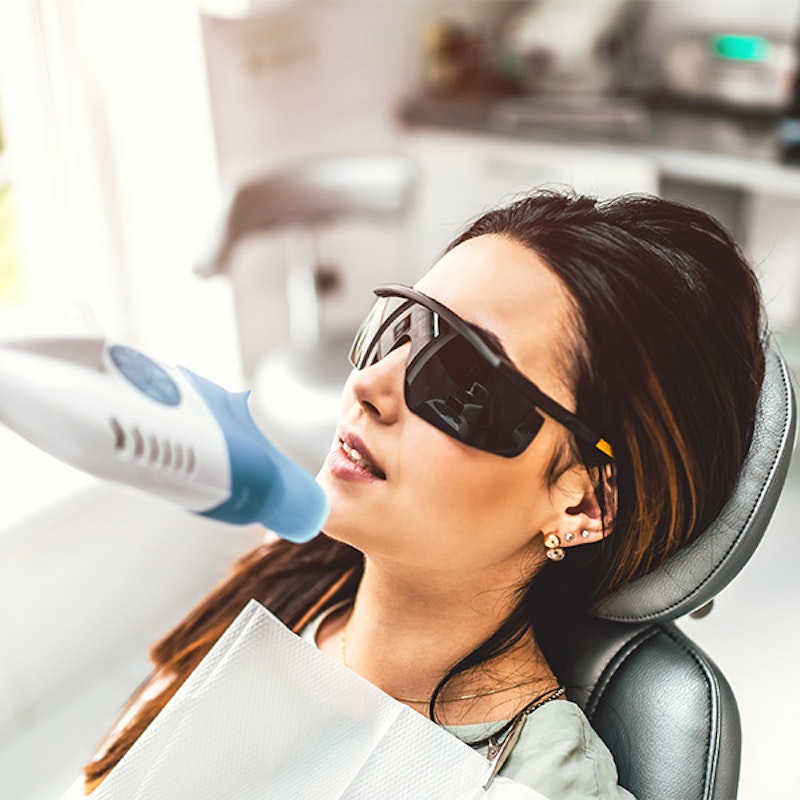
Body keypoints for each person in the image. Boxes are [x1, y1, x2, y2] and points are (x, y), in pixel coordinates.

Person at [76, 190, 765, 798]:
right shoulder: (289, 579)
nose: (370, 388)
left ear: (583, 504)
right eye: (398, 328)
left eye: (463, 381)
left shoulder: (540, 786)